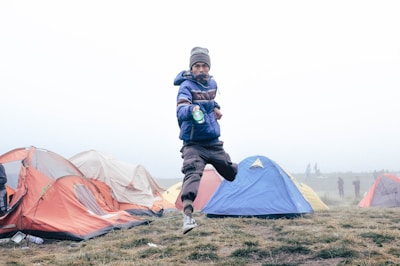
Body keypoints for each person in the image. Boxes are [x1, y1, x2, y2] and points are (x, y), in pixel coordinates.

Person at [174, 47, 238, 234]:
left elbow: (210, 100)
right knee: (193, 173)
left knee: (231, 173)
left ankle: (231, 168)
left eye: (204, 66)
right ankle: (187, 216)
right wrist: (192, 111)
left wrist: (215, 107)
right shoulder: (185, 86)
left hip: (213, 142)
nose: (201, 70)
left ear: (208, 68)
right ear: (191, 68)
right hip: (194, 143)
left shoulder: (213, 83)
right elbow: (181, 109)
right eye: (197, 66)